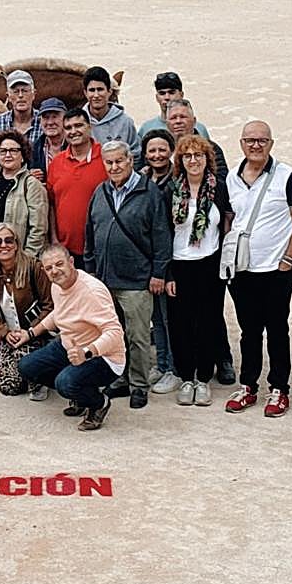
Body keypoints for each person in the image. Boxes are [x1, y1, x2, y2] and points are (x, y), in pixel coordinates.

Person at [224, 120, 292, 417]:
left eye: (261, 140)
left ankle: (279, 388)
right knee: (249, 331)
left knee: (277, 330)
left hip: (276, 270)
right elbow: (229, 219)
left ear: (271, 143)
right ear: (242, 143)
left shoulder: (287, 176)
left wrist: (288, 260)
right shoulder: (232, 177)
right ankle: (248, 385)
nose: (255, 145)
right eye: (250, 140)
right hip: (242, 270)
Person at [85, 140, 170, 410]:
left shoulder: (149, 192)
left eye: (119, 161)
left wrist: (158, 273)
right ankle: (120, 378)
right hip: (105, 279)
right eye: (109, 162)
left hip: (137, 280)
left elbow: (161, 235)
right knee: (114, 335)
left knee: (138, 337)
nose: (114, 167)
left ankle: (139, 385)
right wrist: (91, 270)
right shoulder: (100, 191)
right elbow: (90, 233)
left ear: (130, 160)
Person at [17, 245, 126, 431]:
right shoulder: (56, 286)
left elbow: (115, 332)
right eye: (49, 268)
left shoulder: (92, 291)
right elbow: (58, 313)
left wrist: (86, 352)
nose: (55, 271)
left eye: (59, 264)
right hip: (69, 344)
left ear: (71, 262)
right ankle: (80, 395)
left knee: (65, 383)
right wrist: (31, 333)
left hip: (104, 356)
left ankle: (98, 403)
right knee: (27, 367)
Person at [166, 135, 233, 407]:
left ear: (207, 159)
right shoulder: (171, 190)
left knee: (208, 322)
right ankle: (186, 377)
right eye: (187, 156)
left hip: (209, 264)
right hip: (179, 265)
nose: (193, 160)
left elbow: (227, 223)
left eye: (198, 155)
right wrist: (168, 273)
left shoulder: (219, 189)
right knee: (180, 324)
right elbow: (163, 232)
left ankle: (203, 378)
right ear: (180, 161)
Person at [0, 223, 54, 398]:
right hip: (10, 334)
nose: (3, 245)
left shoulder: (34, 267)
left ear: (17, 243)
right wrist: (4, 333)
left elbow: (50, 305)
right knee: (9, 388)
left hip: (37, 333)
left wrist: (31, 331)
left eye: (9, 240)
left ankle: (42, 374)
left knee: (33, 377)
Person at [140, 129, 177, 391]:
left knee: (169, 318)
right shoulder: (141, 179)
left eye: (162, 149)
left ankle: (173, 368)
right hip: (147, 259)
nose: (157, 155)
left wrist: (165, 271)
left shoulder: (177, 181)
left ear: (171, 151)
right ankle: (162, 363)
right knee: (157, 317)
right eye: (151, 150)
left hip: (169, 261)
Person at [46, 108, 106, 267]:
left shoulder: (106, 157)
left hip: (101, 247)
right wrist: (54, 238)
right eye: (68, 128)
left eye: (78, 125)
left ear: (89, 127)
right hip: (67, 249)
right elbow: (51, 204)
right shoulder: (56, 163)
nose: (73, 131)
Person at [0, 130, 48, 257]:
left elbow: (38, 230)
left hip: (15, 257)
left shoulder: (32, 185)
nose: (8, 155)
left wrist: (26, 259)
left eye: (13, 150)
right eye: (3, 151)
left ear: (23, 155)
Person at [82, 66, 138, 163]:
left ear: (109, 91)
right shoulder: (78, 123)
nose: (96, 95)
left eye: (100, 89)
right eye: (92, 90)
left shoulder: (125, 122)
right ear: (85, 93)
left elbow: (136, 155)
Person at [137, 72, 210, 140]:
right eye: (162, 93)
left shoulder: (198, 129)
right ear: (157, 97)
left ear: (181, 95)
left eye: (172, 92)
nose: (167, 97)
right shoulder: (147, 128)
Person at [165, 100, 226, 180]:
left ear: (194, 121)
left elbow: (221, 179)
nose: (178, 121)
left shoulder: (210, 148)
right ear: (167, 123)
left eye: (183, 117)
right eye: (173, 118)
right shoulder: (160, 149)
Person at [0, 70, 43, 146]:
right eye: (16, 91)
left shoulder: (44, 121)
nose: (20, 95)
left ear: (33, 94)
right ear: (8, 97)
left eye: (25, 91)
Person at [30, 96, 67, 180]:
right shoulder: (34, 148)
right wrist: (30, 176)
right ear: (40, 121)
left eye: (55, 117)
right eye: (46, 117)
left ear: (65, 119)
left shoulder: (75, 145)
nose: (50, 122)